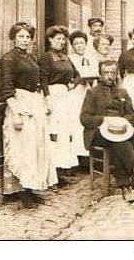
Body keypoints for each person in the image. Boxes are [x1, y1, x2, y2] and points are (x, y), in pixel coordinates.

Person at [1, 22, 57, 209]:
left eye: (27, 37)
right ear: (14, 38)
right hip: (20, 104)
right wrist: (15, 114)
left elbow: (41, 79)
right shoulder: (9, 58)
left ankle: (32, 188)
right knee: (22, 149)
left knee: (36, 148)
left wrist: (47, 99)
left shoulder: (31, 58)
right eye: (21, 36)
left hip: (35, 103)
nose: (25, 40)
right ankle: (22, 192)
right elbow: (7, 88)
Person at [80, 60, 134, 202]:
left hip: (119, 131)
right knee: (118, 141)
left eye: (112, 73)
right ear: (100, 75)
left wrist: (121, 122)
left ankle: (125, 187)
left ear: (116, 74)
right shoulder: (93, 92)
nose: (109, 76)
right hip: (97, 132)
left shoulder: (122, 92)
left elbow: (132, 114)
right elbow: (84, 118)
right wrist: (104, 119)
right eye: (106, 73)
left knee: (117, 140)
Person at [39, 25, 82, 171]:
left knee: (65, 132)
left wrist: (72, 85)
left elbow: (77, 75)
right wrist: (47, 98)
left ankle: (63, 169)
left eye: (64, 39)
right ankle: (52, 170)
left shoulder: (66, 57)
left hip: (65, 96)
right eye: (58, 39)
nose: (61, 42)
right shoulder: (46, 57)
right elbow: (43, 79)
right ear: (50, 40)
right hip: (52, 95)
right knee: (54, 132)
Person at [68, 30, 99, 158]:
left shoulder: (91, 59)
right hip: (74, 94)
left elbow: (95, 76)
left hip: (87, 92)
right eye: (76, 44)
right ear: (72, 46)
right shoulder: (69, 59)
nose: (80, 46)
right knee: (75, 123)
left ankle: (88, 154)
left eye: (82, 43)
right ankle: (75, 156)